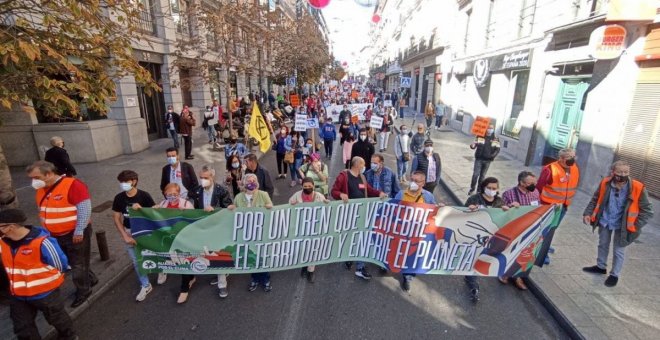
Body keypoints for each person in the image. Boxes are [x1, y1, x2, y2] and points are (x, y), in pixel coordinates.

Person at [26, 160, 98, 308]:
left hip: (75, 233)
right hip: (55, 234)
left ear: (49, 174)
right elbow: (43, 211)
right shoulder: (41, 189)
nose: (33, 182)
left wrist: (79, 230)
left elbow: (84, 209)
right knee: (74, 262)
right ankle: (91, 278)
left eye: (36, 177)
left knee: (77, 264)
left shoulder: (73, 185)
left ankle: (84, 291)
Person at [0, 209, 77, 340]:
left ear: (10, 227)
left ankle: (69, 336)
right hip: (18, 295)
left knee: (57, 318)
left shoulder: (42, 242)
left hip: (45, 293)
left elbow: (61, 264)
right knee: (22, 327)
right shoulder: (3, 242)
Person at [582, 160, 653, 287]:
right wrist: (587, 213)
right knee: (602, 244)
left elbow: (647, 211)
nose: (623, 174)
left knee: (618, 251)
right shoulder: (605, 183)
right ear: (613, 172)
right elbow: (595, 199)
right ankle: (600, 266)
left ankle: (614, 274)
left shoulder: (637, 187)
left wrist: (636, 225)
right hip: (606, 219)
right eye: (620, 172)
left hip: (624, 226)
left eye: (626, 172)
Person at [331, 156, 387, 280]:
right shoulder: (343, 176)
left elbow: (368, 190)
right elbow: (333, 191)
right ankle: (350, 258)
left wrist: (379, 193)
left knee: (360, 238)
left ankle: (359, 267)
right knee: (351, 237)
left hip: (362, 213)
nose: (364, 167)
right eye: (363, 165)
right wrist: (340, 194)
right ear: (357, 165)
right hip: (349, 214)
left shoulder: (362, 177)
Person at [111, 170, 157, 302]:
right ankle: (146, 285)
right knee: (136, 261)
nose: (123, 184)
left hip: (145, 231)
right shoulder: (119, 198)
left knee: (152, 254)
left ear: (134, 181)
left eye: (126, 182)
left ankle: (161, 270)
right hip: (129, 231)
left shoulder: (144, 196)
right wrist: (125, 235)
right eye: (121, 182)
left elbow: (155, 214)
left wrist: (142, 209)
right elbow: (116, 218)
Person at [189, 165, 233, 297]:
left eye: (205, 178)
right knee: (207, 253)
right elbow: (189, 205)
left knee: (218, 254)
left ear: (212, 177)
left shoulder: (222, 190)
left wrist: (215, 209)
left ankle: (222, 284)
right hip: (203, 229)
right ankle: (220, 272)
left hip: (218, 229)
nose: (203, 180)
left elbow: (228, 209)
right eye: (201, 178)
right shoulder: (196, 191)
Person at [464, 177, 509, 302]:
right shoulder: (474, 199)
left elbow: (506, 218)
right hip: (474, 236)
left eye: (494, 188)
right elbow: (462, 214)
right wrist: (469, 209)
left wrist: (509, 210)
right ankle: (473, 283)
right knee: (473, 257)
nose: (491, 190)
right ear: (484, 187)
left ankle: (472, 277)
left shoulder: (500, 202)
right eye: (489, 188)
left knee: (482, 259)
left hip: (491, 238)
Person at [228, 174, 274, 292]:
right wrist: (231, 209)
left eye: (254, 180)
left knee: (262, 256)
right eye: (248, 180)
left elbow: (271, 209)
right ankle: (254, 279)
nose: (251, 182)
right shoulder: (238, 197)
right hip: (246, 233)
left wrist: (269, 207)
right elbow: (235, 214)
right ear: (244, 183)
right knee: (251, 256)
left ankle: (265, 279)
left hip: (261, 232)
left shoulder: (263, 195)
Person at [394, 171, 438, 292]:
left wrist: (440, 208)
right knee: (399, 252)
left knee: (413, 255)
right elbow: (393, 209)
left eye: (417, 181)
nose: (413, 183)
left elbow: (433, 212)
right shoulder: (401, 194)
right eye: (412, 179)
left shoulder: (428, 196)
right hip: (402, 231)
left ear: (423, 183)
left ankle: (407, 277)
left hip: (418, 233)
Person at [152, 183, 195, 303]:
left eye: (175, 194)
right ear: (165, 194)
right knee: (177, 260)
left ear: (179, 193)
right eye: (169, 194)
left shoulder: (187, 204)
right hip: (170, 239)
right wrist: (152, 210)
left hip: (184, 239)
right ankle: (191, 278)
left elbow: (194, 221)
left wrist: (186, 213)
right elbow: (154, 216)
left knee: (183, 262)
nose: (172, 196)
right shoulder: (163, 204)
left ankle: (184, 289)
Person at [537, 148, 580, 265]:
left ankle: (546, 245)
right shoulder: (550, 169)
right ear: (560, 158)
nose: (572, 159)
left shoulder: (574, 168)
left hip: (564, 206)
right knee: (547, 229)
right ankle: (542, 253)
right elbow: (539, 187)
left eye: (573, 156)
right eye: (569, 157)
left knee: (552, 229)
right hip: (549, 206)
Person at [499, 170, 541, 290]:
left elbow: (539, 207)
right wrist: (511, 207)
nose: (534, 185)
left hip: (529, 228)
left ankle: (518, 276)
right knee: (511, 251)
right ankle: (505, 273)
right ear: (522, 183)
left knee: (524, 253)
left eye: (535, 182)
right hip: (514, 228)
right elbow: (502, 212)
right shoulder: (509, 194)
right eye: (531, 183)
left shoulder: (535, 193)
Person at [289, 177, 329, 283]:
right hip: (301, 227)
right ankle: (303, 266)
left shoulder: (319, 196)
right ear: (302, 187)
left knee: (313, 248)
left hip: (315, 228)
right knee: (303, 247)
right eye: (305, 186)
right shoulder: (297, 195)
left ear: (313, 186)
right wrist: (292, 205)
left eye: (309, 186)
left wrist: (327, 204)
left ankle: (311, 271)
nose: (307, 188)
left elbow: (327, 209)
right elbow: (288, 206)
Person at [468, 125, 500, 195]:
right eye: (489, 128)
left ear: (493, 129)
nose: (490, 129)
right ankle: (472, 188)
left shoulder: (495, 139)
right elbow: (474, 145)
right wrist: (472, 145)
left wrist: (492, 156)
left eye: (491, 128)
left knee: (482, 177)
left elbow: (497, 149)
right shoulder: (480, 136)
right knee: (475, 175)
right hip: (479, 159)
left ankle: (479, 190)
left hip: (488, 161)